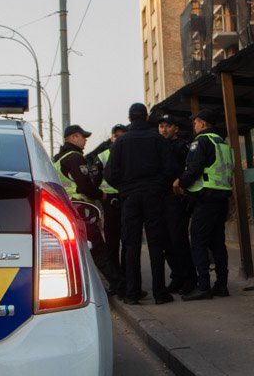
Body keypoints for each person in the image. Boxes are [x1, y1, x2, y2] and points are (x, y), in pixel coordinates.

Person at [105, 103, 173, 305]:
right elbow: (170, 169)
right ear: (146, 117)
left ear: (129, 118)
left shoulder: (120, 143)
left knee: (131, 245)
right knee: (155, 244)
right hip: (153, 196)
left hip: (130, 198)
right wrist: (158, 185)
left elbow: (109, 174)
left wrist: (124, 187)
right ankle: (160, 293)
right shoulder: (157, 139)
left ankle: (133, 293)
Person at [53, 124, 122, 295]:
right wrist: (101, 195)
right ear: (73, 138)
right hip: (81, 209)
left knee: (79, 251)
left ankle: (87, 287)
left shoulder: (59, 160)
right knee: (98, 248)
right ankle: (120, 286)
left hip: (67, 208)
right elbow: (84, 185)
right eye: (82, 137)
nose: (85, 141)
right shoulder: (75, 158)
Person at [174, 107, 232, 300]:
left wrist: (180, 183)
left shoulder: (201, 141)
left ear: (203, 123)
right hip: (221, 197)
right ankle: (221, 285)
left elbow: (194, 168)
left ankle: (204, 286)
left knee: (198, 242)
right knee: (218, 243)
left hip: (205, 199)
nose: (194, 125)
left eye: (195, 122)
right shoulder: (221, 142)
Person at [158, 114, 196, 294]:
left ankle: (189, 279)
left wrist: (180, 183)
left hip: (177, 198)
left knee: (178, 240)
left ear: (176, 129)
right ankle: (177, 276)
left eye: (167, 126)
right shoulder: (159, 146)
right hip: (163, 199)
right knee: (166, 241)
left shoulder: (183, 146)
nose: (164, 129)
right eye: (161, 126)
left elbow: (190, 168)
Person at [91, 124, 127, 290]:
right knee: (112, 242)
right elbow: (94, 181)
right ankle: (116, 279)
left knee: (128, 241)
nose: (119, 139)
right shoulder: (103, 156)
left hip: (127, 200)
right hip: (111, 202)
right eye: (116, 136)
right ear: (112, 138)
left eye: (122, 136)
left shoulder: (131, 153)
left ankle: (127, 277)